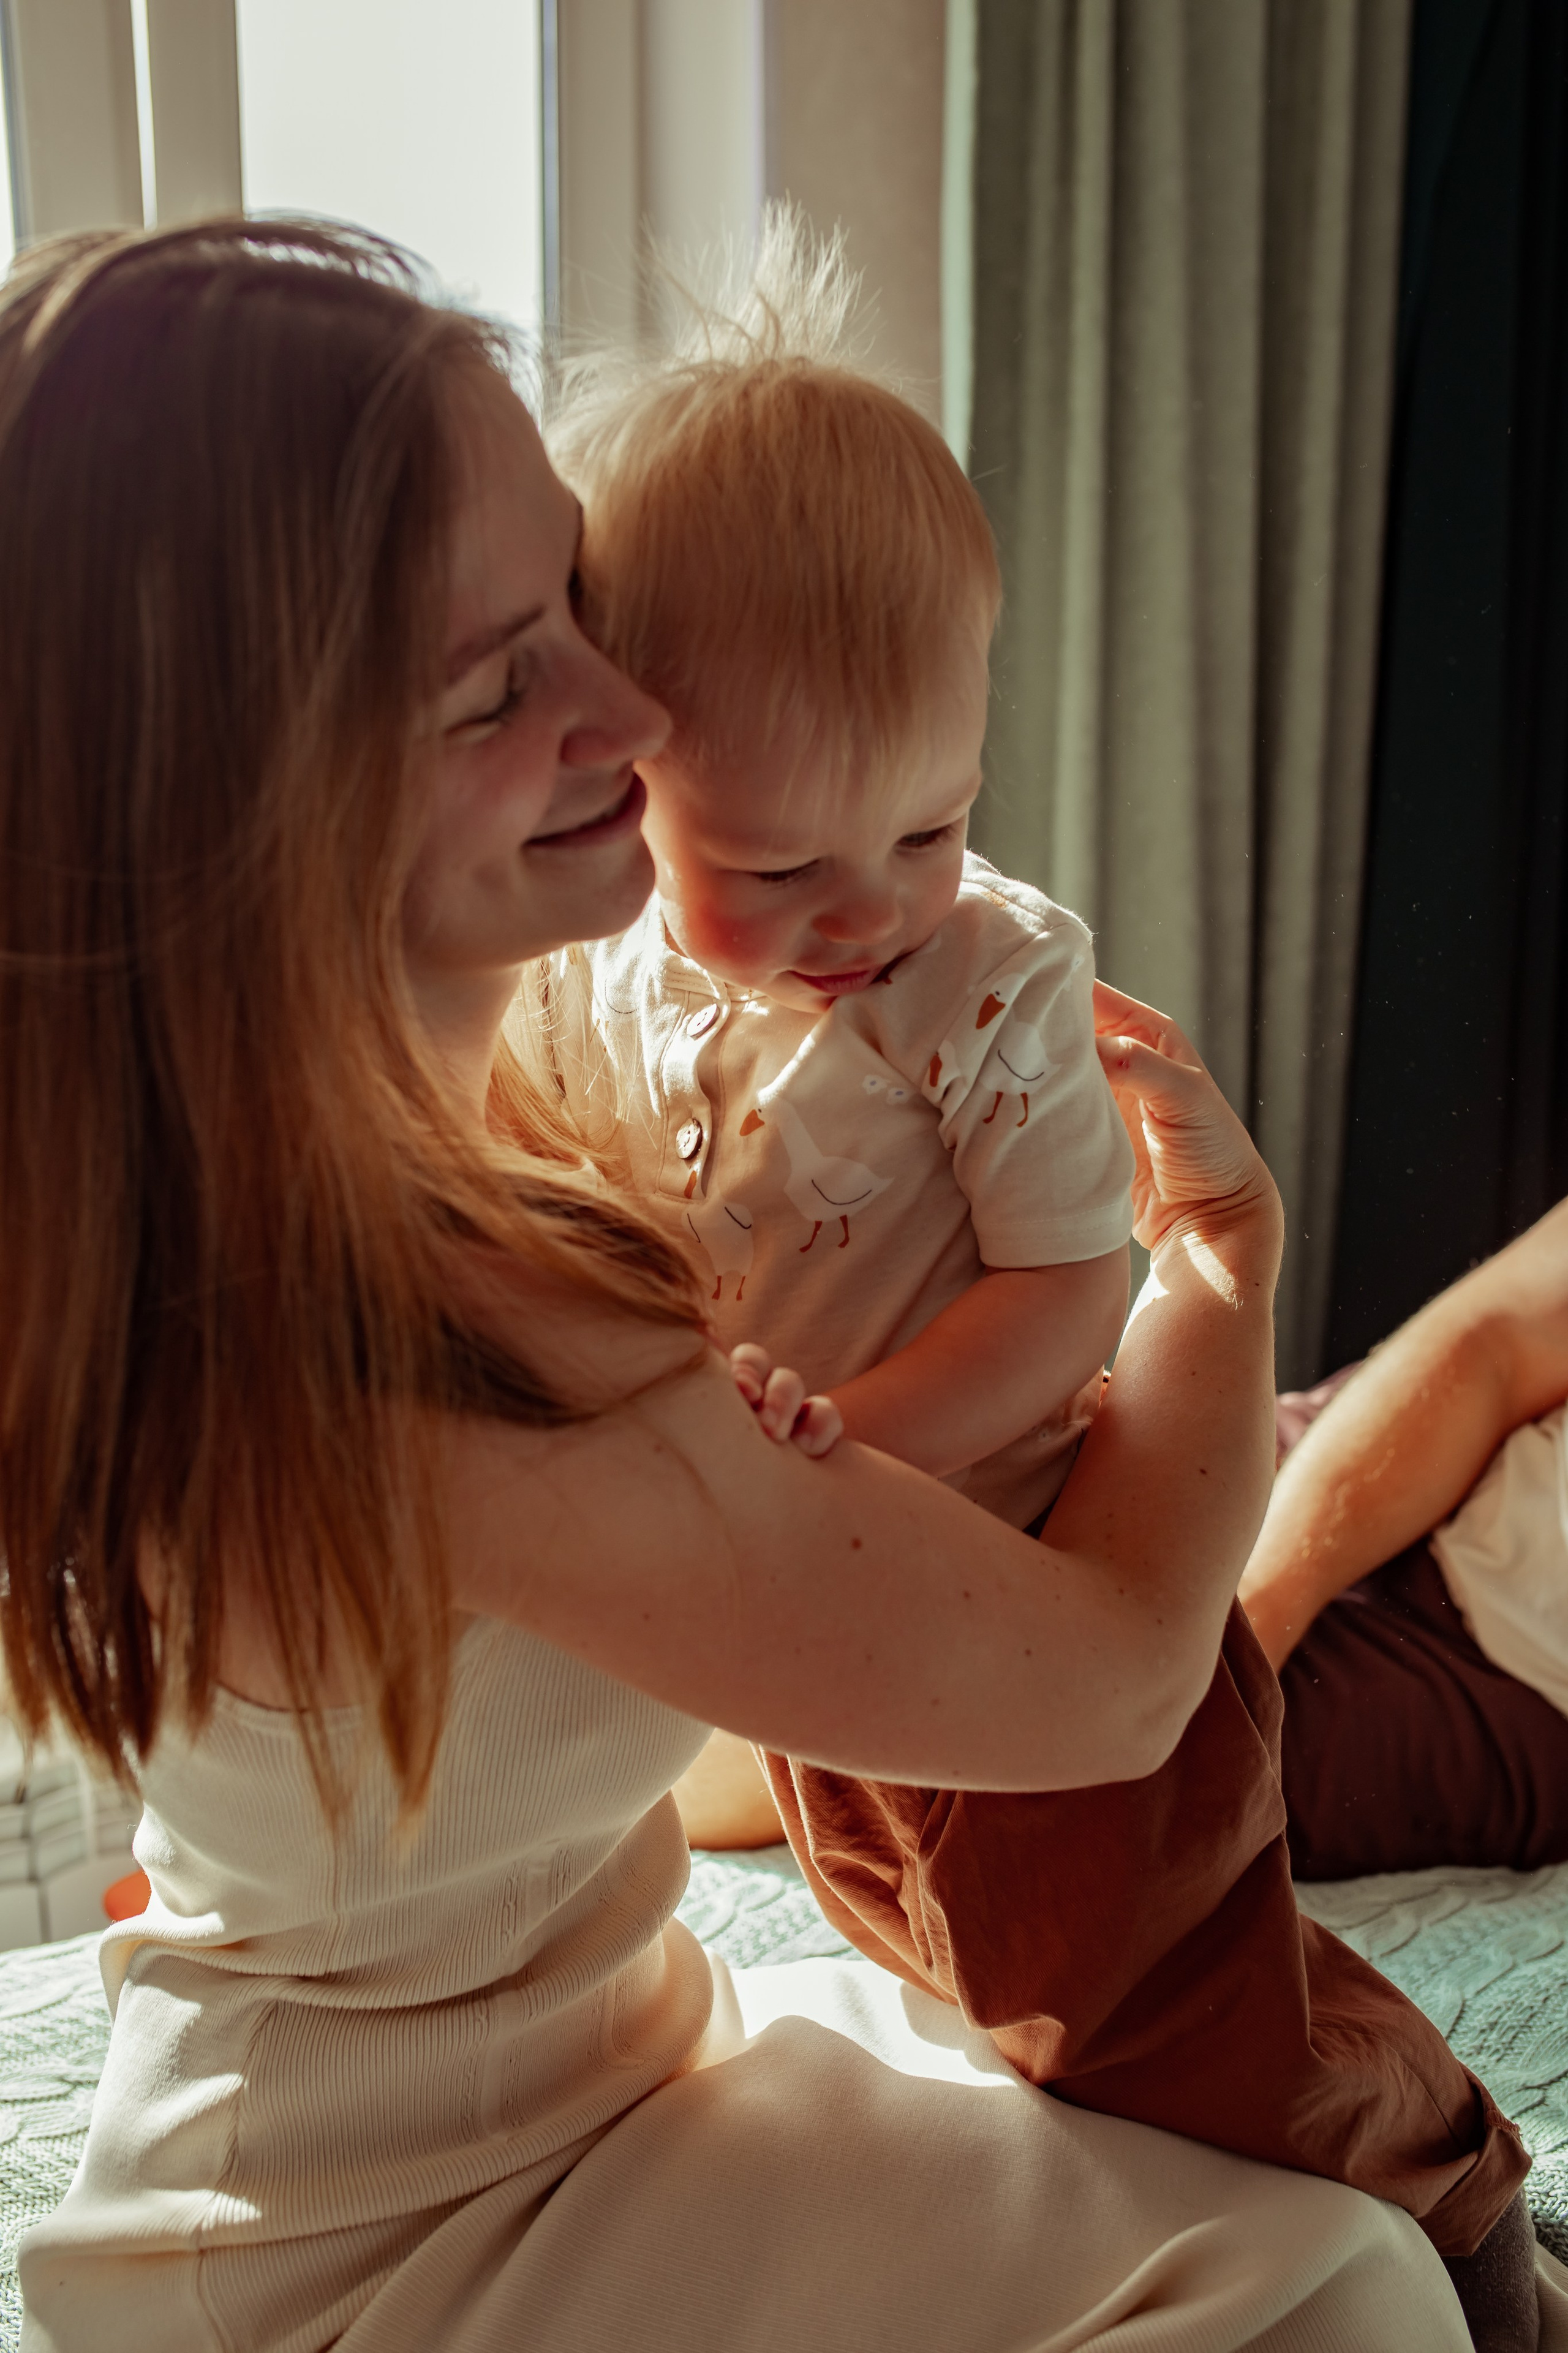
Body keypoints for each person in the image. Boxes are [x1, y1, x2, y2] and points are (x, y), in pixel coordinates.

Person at [0, 217, 1515, 2353]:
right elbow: (1107, 1684)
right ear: (256, 795)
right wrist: (1220, 1272)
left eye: (584, 604)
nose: (633, 710)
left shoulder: (384, 1151)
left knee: (1321, 2265)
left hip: (594, 2065)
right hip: (365, 2240)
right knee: (1345, 2309)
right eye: (504, 673)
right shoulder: (422, 1328)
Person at [533, 225, 1537, 2343]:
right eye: (780, 866)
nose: (867, 909)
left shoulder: (990, 984)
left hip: (1027, 1562)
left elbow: (1076, 1304)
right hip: (837, 1596)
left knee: (1161, 2010)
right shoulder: (614, 983)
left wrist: (827, 1456)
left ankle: (1452, 2187)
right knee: (936, 1953)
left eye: (936, 823)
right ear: (625, 782)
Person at [1241, 1199, 1568, 1881]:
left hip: (1507, 1688)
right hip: (1410, 1433)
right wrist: (1252, 1618)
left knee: (1080, 1782)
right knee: (1021, 1477)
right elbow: (1494, 1340)